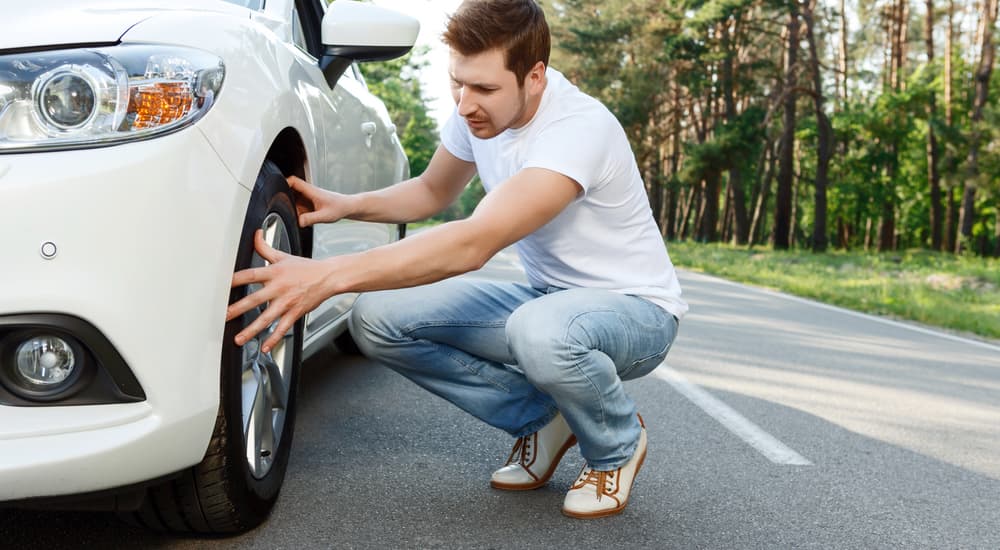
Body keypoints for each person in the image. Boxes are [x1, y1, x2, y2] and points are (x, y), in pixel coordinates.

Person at [226, 0, 687, 519]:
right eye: (457, 83)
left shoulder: (577, 130)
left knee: (542, 334)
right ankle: (545, 418)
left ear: (534, 77)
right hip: (547, 299)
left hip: (636, 312)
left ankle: (617, 445)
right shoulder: (477, 112)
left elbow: (473, 244)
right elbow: (430, 192)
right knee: (376, 319)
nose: (466, 104)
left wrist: (328, 276)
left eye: (485, 89)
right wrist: (348, 206)